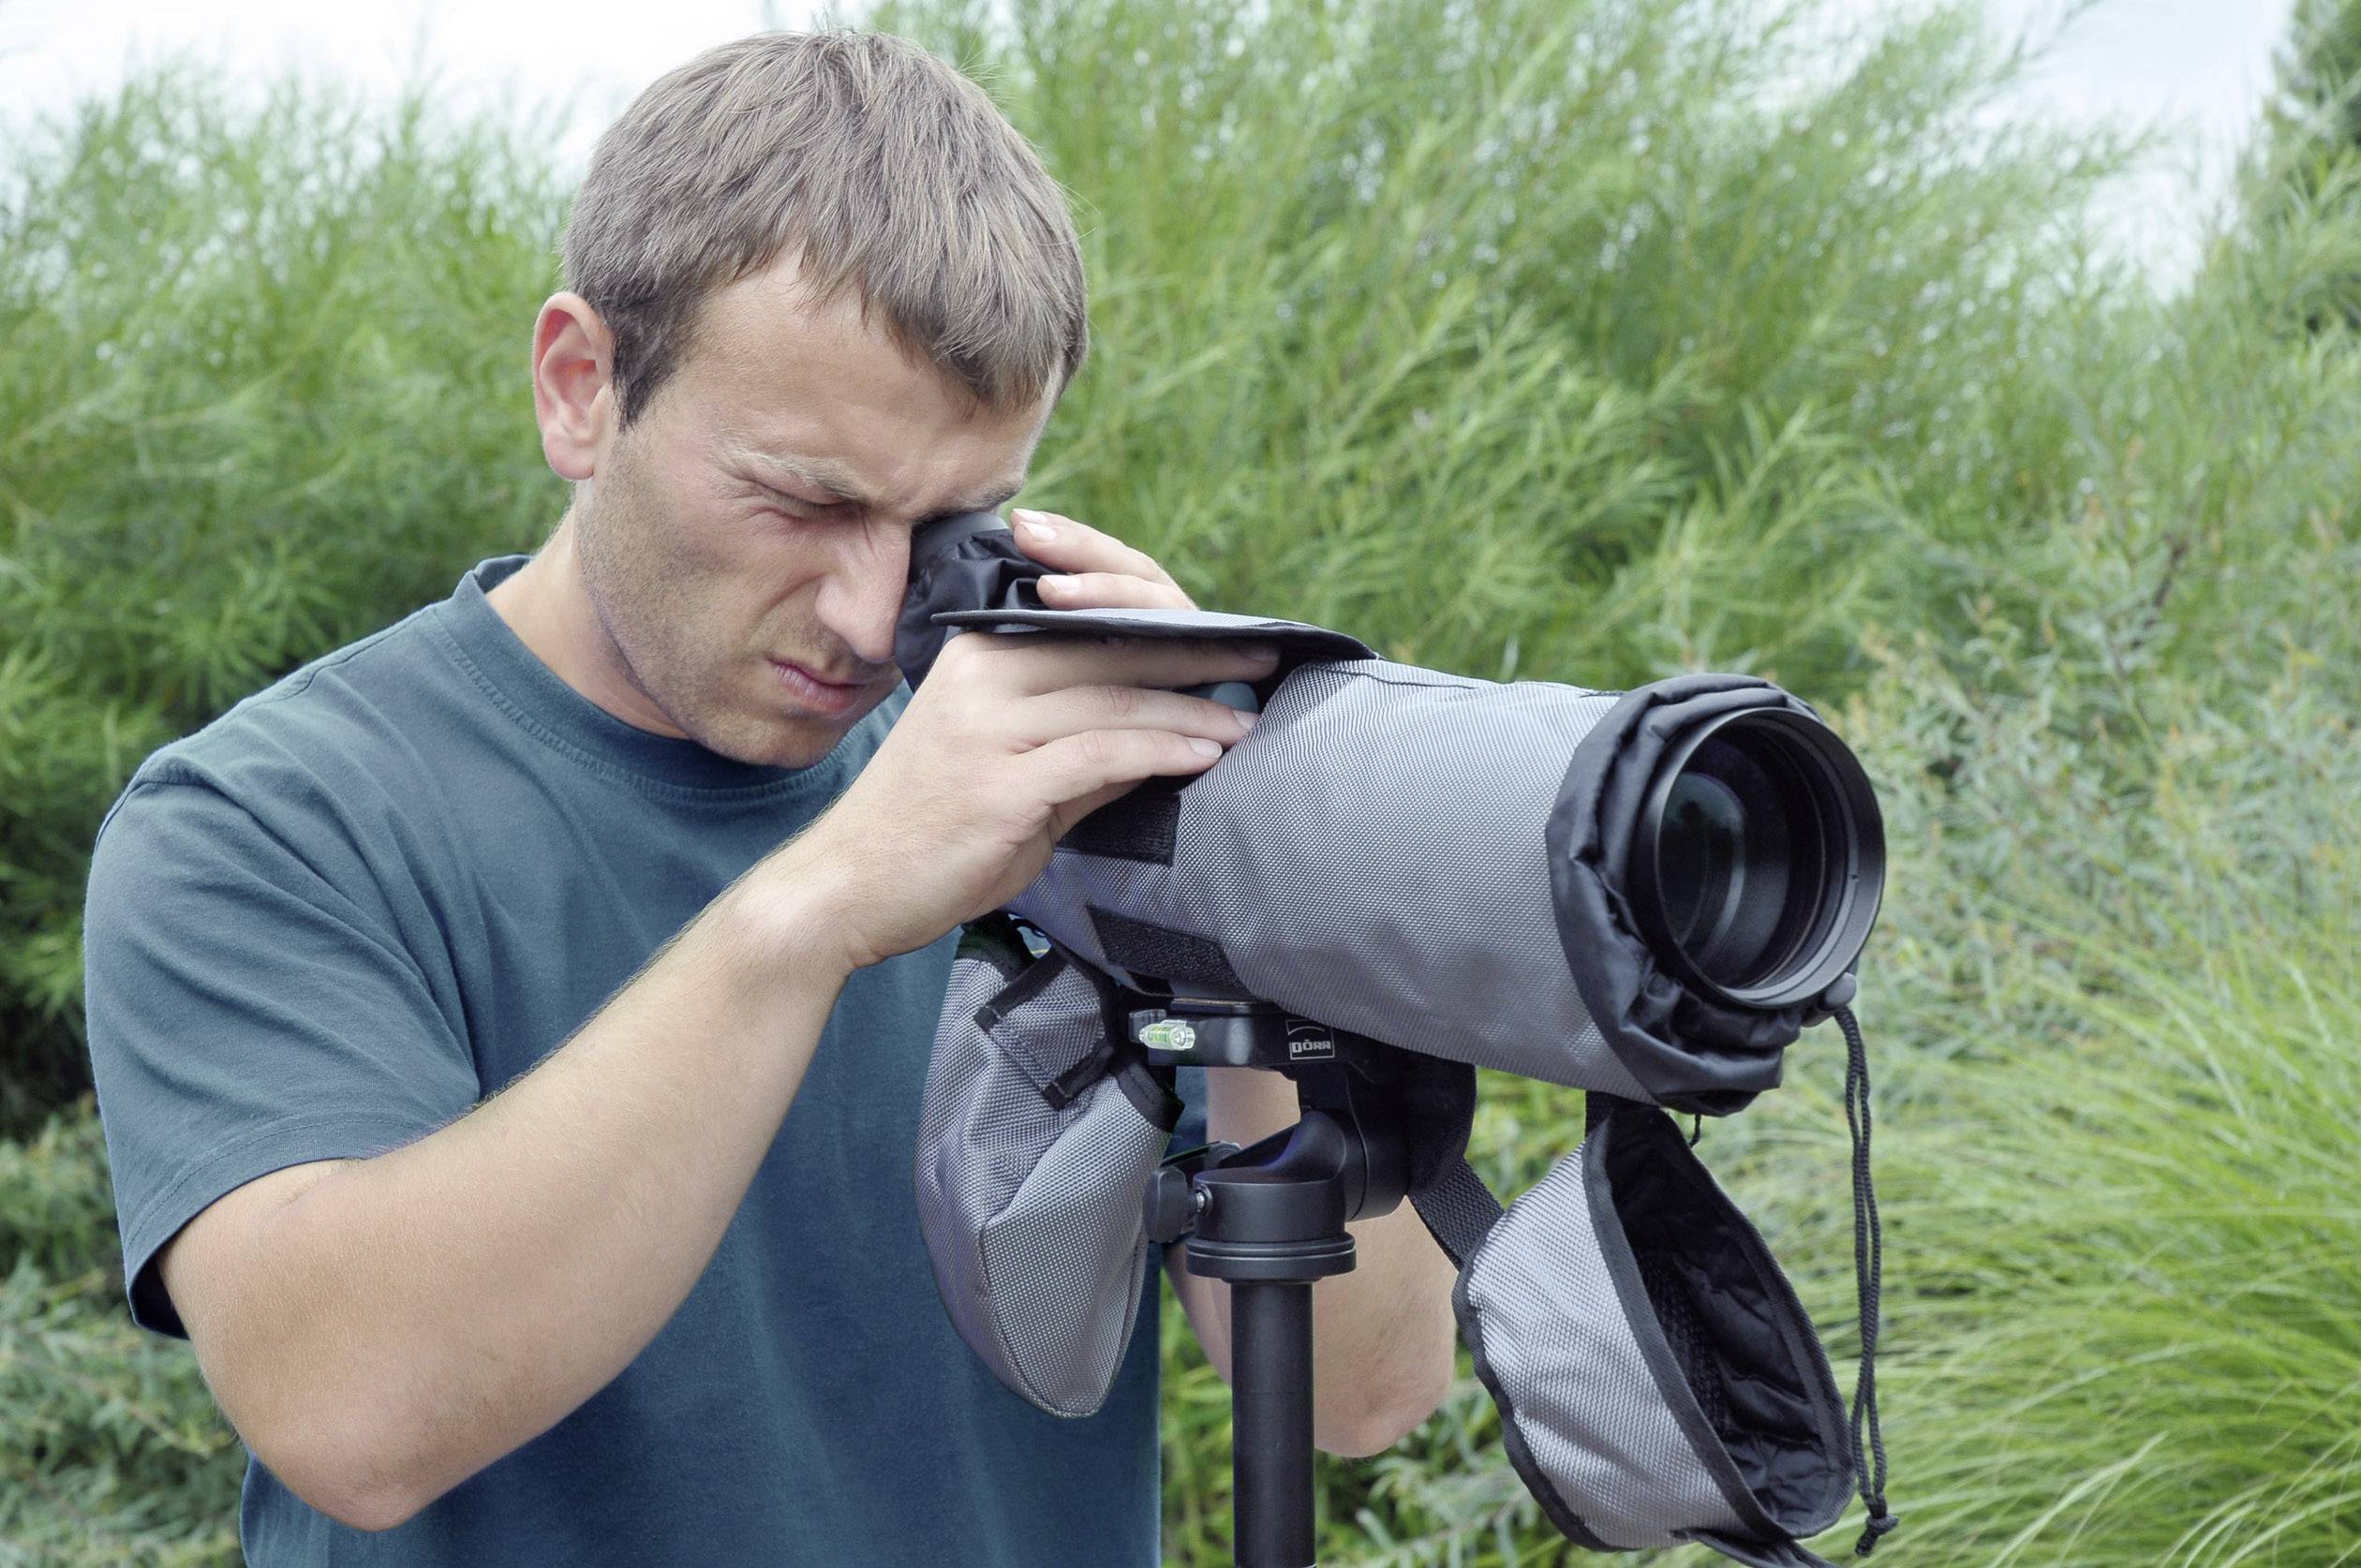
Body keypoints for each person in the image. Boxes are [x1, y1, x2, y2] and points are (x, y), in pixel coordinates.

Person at [79, 28, 1458, 1567]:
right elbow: (349, 1411)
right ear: (580, 388)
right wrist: (818, 905)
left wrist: (1221, 884)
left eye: (947, 522)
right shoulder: (271, 822)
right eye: (806, 500)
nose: (874, 621)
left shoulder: (1059, 800)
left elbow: (1370, 1389)